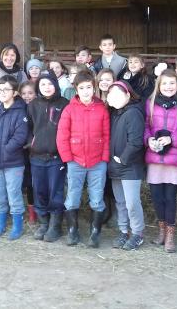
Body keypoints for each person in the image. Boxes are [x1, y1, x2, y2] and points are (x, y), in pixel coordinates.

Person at [57, 71, 110, 248]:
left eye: (89, 87)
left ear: (94, 87)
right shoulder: (69, 109)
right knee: (72, 196)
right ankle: (73, 231)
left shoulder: (102, 108)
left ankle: (95, 232)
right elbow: (62, 136)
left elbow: (106, 135)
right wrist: (68, 158)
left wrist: (104, 158)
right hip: (75, 162)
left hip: (97, 162)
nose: (86, 91)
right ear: (76, 89)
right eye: (82, 88)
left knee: (97, 197)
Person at [145, 69, 177, 253]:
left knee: (170, 198)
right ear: (159, 85)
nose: (168, 87)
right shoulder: (150, 104)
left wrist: (172, 139)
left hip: (173, 161)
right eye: (164, 83)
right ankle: (162, 231)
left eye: (172, 83)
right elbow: (145, 127)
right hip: (155, 159)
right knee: (157, 198)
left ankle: (171, 235)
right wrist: (148, 140)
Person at [27, 73, 69, 242]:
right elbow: (28, 128)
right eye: (42, 84)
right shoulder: (33, 105)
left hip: (56, 157)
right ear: (38, 87)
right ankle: (43, 222)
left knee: (56, 191)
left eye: (49, 84)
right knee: (39, 190)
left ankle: (55, 225)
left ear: (55, 85)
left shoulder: (64, 104)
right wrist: (31, 143)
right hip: (36, 156)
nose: (46, 87)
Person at [0, 76, 29, 240]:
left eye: (6, 89)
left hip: (14, 163)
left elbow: (20, 137)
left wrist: (3, 150)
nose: (2, 92)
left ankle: (17, 226)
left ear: (15, 92)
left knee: (13, 193)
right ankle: (1, 224)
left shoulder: (20, 113)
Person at [106, 81, 145, 251]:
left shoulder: (133, 113)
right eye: (111, 94)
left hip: (129, 166)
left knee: (132, 203)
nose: (113, 98)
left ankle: (137, 233)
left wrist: (122, 159)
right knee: (120, 202)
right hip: (115, 165)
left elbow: (135, 142)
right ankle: (123, 231)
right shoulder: (115, 113)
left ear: (128, 95)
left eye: (118, 94)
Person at [18, 80, 37, 223]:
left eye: (30, 93)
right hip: (20, 149)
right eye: (23, 93)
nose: (27, 96)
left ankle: (33, 211)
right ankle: (19, 210)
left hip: (34, 150)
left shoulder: (38, 108)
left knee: (32, 181)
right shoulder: (18, 108)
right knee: (20, 180)